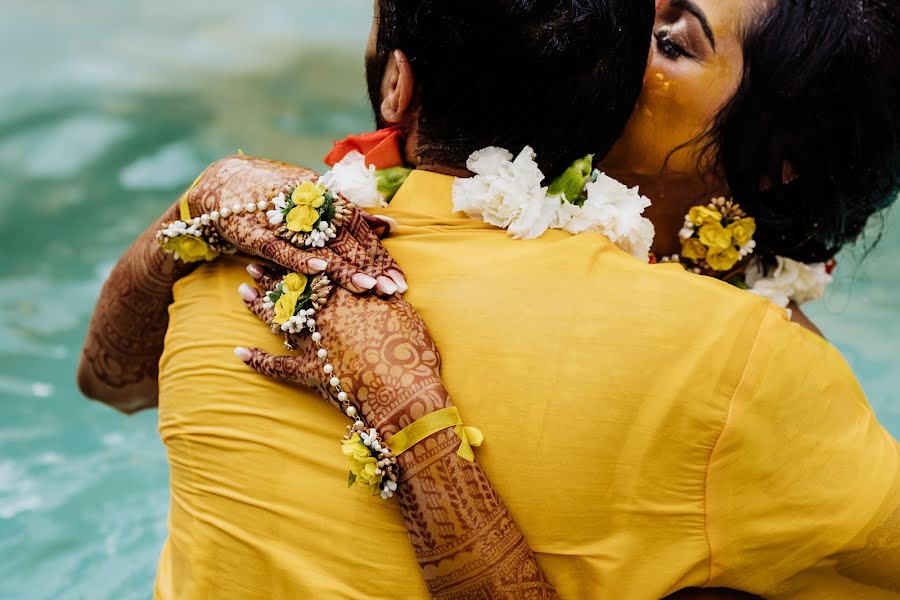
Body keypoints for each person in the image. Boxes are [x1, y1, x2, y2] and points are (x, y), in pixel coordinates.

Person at [77, 1, 900, 600]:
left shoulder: (746, 366)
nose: (611, 30)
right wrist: (203, 204)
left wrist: (417, 427)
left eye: (666, 39)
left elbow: (114, 385)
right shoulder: (725, 361)